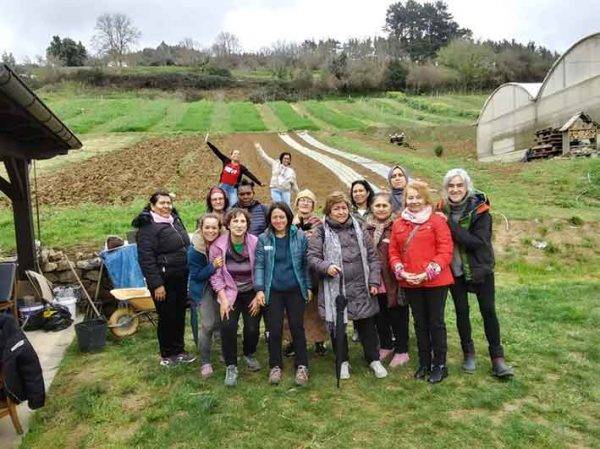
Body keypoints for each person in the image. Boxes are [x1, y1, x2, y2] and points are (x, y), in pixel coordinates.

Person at [440, 168, 514, 378]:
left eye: (459, 185)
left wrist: (449, 224)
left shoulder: (481, 212)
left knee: (488, 311)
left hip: (480, 268)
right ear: (446, 189)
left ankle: (497, 358)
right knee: (462, 312)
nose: (455, 189)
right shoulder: (441, 209)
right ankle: (468, 353)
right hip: (455, 271)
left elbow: (476, 242)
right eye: (451, 186)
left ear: (467, 188)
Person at [308, 191, 388, 380]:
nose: (341, 212)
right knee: (339, 326)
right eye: (336, 209)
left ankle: (373, 359)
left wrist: (374, 280)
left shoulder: (359, 228)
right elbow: (312, 257)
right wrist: (326, 267)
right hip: (335, 286)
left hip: (361, 285)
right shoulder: (321, 231)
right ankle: (342, 361)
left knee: (367, 324)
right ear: (329, 210)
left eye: (344, 208)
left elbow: (372, 256)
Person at [388, 181, 454, 384]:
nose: (414, 201)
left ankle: (440, 364)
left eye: (418, 197)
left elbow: (445, 249)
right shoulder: (399, 223)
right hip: (411, 281)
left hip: (435, 281)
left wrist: (429, 272)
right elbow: (393, 251)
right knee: (420, 323)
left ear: (426, 199)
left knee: (436, 322)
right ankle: (424, 362)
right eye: (410, 197)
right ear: (405, 199)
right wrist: (401, 271)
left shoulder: (436, 221)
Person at [133, 191, 194, 367]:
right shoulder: (148, 227)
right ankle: (167, 355)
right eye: (162, 203)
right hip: (163, 280)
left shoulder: (174, 220)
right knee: (167, 317)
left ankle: (180, 351)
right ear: (152, 206)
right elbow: (146, 258)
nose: (166, 206)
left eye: (169, 203)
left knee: (179, 314)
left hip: (180, 277)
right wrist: (157, 284)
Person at [254, 202, 311, 386]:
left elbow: (305, 264)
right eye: (275, 217)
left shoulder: (300, 236)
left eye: (282, 217)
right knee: (274, 329)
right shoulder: (264, 238)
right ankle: (275, 366)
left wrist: (308, 287)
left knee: (297, 327)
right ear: (270, 219)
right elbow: (260, 265)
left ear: (288, 217)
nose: (278, 220)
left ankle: (302, 365)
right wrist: (260, 289)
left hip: (295, 289)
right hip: (274, 291)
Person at [209, 208, 262, 387]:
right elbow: (216, 276)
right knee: (228, 326)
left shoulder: (255, 242)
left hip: (250, 292)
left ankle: (249, 353)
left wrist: (258, 293)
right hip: (229, 293)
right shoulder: (218, 245)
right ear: (228, 224)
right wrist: (223, 299)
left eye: (242, 222)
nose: (239, 225)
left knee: (252, 328)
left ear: (247, 225)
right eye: (235, 221)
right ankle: (231, 365)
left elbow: (262, 269)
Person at [364, 193, 410, 368]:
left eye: (385, 206)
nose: (381, 209)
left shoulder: (397, 225)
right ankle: (385, 345)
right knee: (380, 314)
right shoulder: (366, 227)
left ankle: (402, 350)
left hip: (393, 279)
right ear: (372, 208)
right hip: (375, 279)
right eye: (378, 206)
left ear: (391, 208)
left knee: (398, 314)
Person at [286, 189, 327, 356]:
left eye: (308, 201)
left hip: (313, 271)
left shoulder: (319, 224)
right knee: (294, 309)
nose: (305, 203)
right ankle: (294, 341)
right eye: (302, 200)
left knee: (316, 308)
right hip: (294, 271)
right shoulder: (289, 222)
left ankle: (319, 340)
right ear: (296, 203)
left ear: (313, 205)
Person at [188, 213, 223, 379]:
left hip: (221, 285)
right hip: (203, 287)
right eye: (207, 227)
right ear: (201, 229)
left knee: (224, 321)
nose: (211, 231)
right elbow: (196, 275)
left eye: (214, 227)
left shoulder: (223, 242)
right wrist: (213, 266)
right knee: (208, 324)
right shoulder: (195, 250)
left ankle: (225, 352)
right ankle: (205, 361)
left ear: (220, 228)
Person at [207, 141, 263, 207]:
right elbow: (217, 152)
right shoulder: (226, 161)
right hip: (222, 186)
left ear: (239, 157)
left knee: (233, 204)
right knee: (220, 202)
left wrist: (259, 183)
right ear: (231, 156)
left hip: (233, 189)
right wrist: (208, 143)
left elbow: (250, 175)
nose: (236, 155)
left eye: (238, 154)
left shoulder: (241, 167)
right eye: (234, 153)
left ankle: (230, 216)